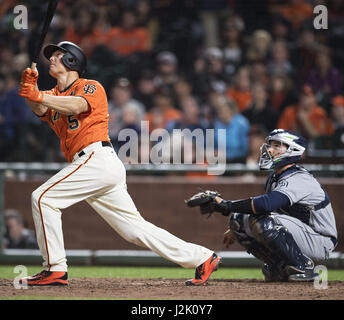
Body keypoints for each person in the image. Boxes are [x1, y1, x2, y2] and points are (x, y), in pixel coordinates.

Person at [18, 41, 221, 286]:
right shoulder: (53, 95)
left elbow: (77, 105)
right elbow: (39, 107)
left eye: (58, 55)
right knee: (134, 230)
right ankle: (202, 257)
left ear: (72, 61)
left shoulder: (91, 86)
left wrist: (37, 94)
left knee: (43, 198)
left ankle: (55, 269)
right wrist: (30, 86)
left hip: (96, 159)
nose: (51, 59)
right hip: (95, 166)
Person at [187, 129, 338, 282]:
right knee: (238, 219)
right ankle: (278, 266)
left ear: (293, 150)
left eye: (278, 146)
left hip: (320, 240)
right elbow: (269, 208)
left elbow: (266, 205)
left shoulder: (299, 177)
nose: (270, 149)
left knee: (264, 221)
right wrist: (237, 227)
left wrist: (225, 205)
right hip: (302, 232)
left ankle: (302, 266)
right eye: (270, 145)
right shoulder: (275, 177)